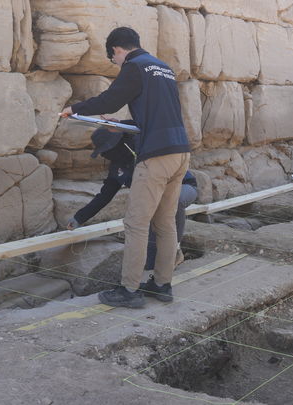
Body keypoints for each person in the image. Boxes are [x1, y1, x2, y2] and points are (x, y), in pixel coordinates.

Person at [60, 27, 191, 308]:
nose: (116, 64)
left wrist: (76, 109)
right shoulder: (163, 67)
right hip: (180, 152)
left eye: (113, 59)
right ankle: (162, 285)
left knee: (136, 223)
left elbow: (111, 99)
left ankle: (129, 291)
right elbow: (158, 114)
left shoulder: (134, 66)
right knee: (165, 223)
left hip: (155, 155)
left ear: (118, 50)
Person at [66, 128, 198, 271]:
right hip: (154, 204)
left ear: (117, 144)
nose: (105, 155)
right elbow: (104, 196)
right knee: (150, 263)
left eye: (106, 150)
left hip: (185, 187)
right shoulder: (117, 168)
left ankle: (175, 251)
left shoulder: (146, 147)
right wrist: (79, 218)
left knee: (172, 202)